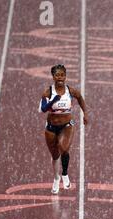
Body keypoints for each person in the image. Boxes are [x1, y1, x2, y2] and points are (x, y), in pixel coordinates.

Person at [38, 64, 88, 194]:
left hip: (67, 126)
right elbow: (42, 109)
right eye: (57, 75)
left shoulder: (71, 91)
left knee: (64, 148)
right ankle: (56, 178)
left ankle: (65, 174)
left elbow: (80, 98)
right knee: (55, 155)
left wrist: (85, 114)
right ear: (53, 77)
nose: (60, 77)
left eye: (62, 75)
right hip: (51, 127)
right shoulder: (48, 92)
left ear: (65, 76)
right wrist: (53, 99)